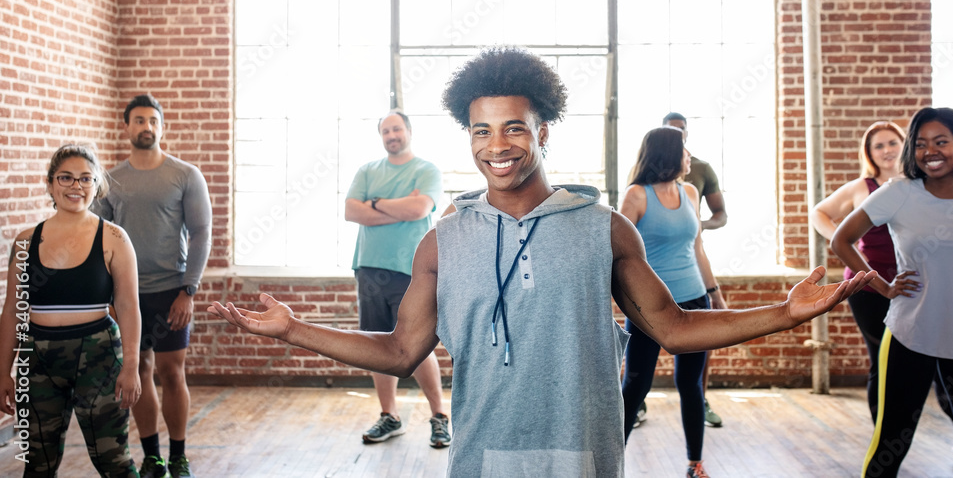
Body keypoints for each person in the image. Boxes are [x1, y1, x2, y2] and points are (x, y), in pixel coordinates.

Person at [209, 46, 875, 478]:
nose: (496, 146)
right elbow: (399, 351)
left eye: (513, 127)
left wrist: (784, 314)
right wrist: (293, 329)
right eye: (480, 130)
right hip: (482, 457)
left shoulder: (603, 227)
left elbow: (671, 328)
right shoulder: (444, 239)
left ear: (544, 130)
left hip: (584, 456)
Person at [831, 107, 953, 477]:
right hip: (910, 336)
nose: (930, 151)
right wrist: (882, 285)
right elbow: (841, 239)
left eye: (941, 141)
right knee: (891, 446)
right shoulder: (898, 193)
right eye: (920, 144)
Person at [1, 144, 142, 476]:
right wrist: (2, 371)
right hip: (37, 360)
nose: (75, 186)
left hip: (99, 356)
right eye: (65, 177)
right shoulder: (25, 242)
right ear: (50, 183)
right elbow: (12, 312)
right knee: (37, 463)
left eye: (85, 179)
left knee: (114, 460)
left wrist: (132, 365)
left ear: (96, 187)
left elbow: (128, 306)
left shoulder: (114, 238)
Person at [94, 95, 211, 478]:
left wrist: (188, 290)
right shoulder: (110, 181)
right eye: (139, 120)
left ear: (162, 127)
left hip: (171, 291)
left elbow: (200, 234)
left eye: (153, 121)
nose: (147, 127)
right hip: (127, 295)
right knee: (138, 369)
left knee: (172, 371)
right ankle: (153, 457)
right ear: (126, 127)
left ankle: (178, 456)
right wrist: (108, 295)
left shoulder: (185, 174)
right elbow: (99, 240)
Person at [619, 126, 727, 477]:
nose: (689, 157)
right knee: (636, 385)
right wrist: (625, 302)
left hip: (694, 300)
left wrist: (715, 294)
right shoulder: (636, 196)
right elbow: (619, 255)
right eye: (683, 149)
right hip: (648, 306)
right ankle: (608, 462)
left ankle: (695, 464)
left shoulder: (691, 192)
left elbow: (697, 249)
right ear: (667, 154)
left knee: (691, 385)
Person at [344, 109, 451, 448]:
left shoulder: (426, 169)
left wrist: (373, 204)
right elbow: (351, 211)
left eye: (397, 129)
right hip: (370, 267)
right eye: (386, 131)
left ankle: (439, 417)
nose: (392, 135)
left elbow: (419, 210)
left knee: (417, 344)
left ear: (408, 131)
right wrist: (396, 207)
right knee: (377, 344)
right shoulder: (367, 170)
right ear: (381, 136)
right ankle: (389, 416)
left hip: (412, 270)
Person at [662, 112, 726, 428]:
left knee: (700, 340)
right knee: (642, 345)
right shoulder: (645, 173)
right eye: (670, 131)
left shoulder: (699, 170)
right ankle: (638, 401)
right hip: (657, 269)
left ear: (688, 134)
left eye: (681, 131)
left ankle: (700, 397)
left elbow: (721, 215)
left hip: (691, 261)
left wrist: (695, 226)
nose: (677, 136)